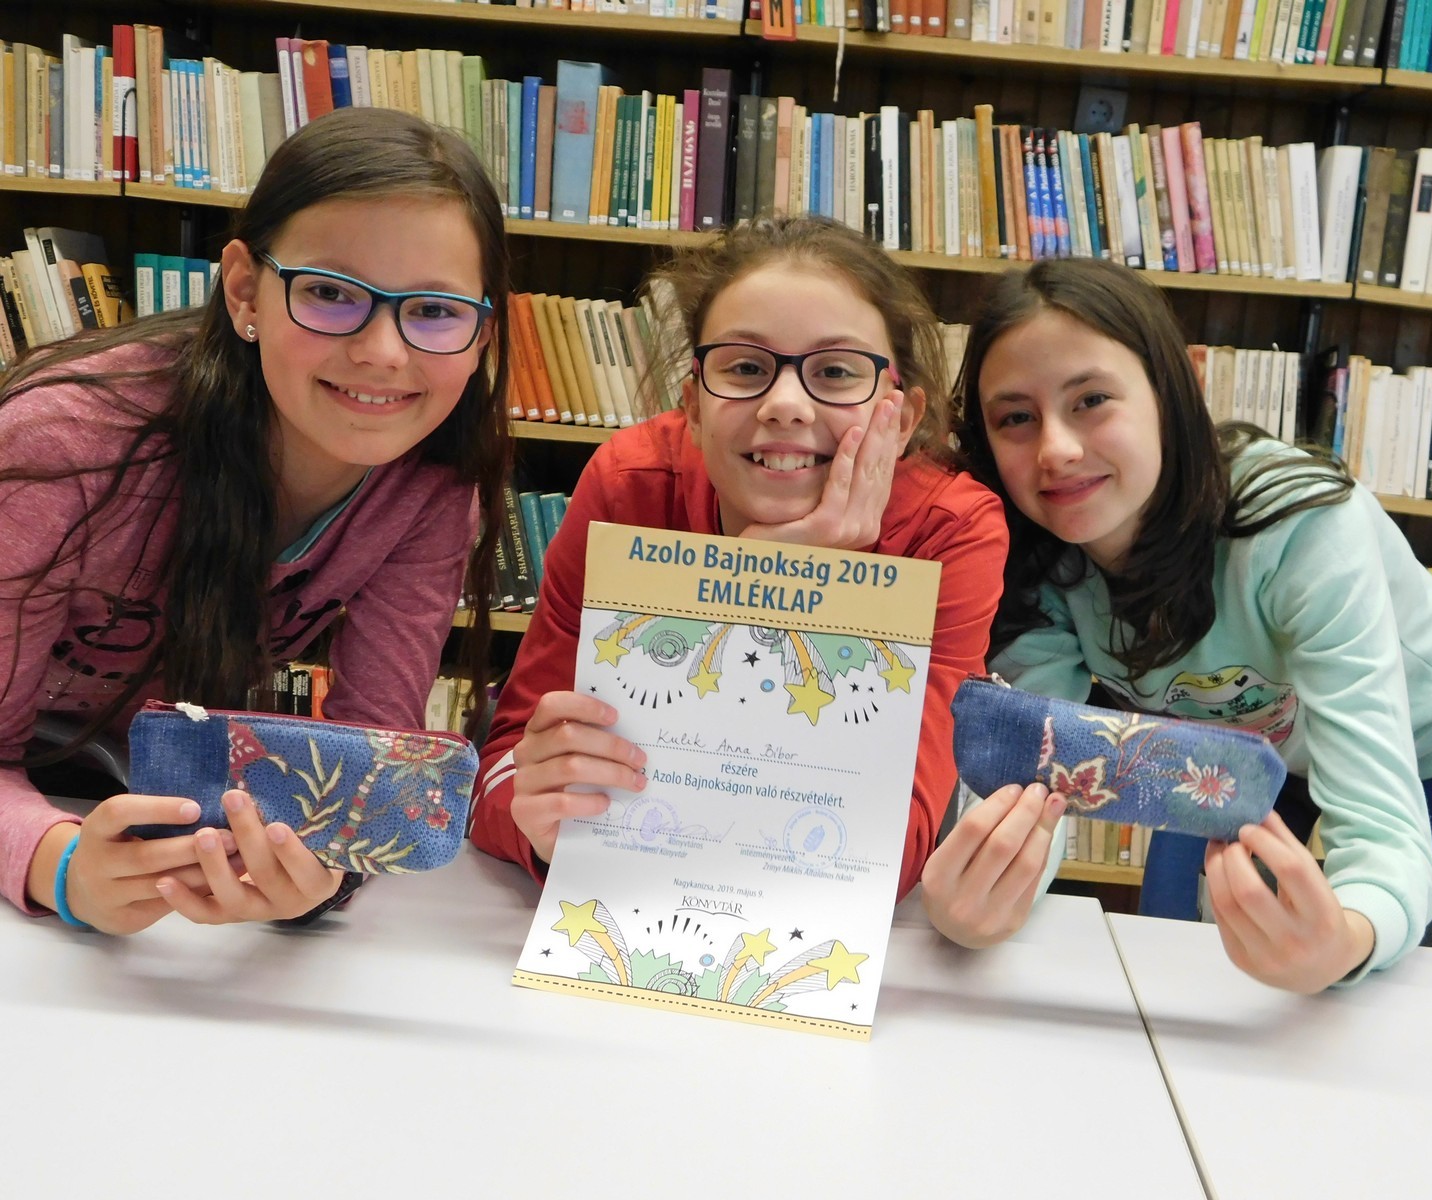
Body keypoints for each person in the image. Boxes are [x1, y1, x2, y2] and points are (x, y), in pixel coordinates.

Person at [0, 107, 510, 933]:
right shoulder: (63, 444)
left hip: (132, 799)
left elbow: (370, 771)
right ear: (244, 290)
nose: (383, 352)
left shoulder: (433, 491)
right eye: (330, 294)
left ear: (483, 331)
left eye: (435, 311)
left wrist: (323, 876)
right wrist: (59, 866)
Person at [923, 257, 1432, 992]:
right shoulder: (1032, 559)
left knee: (1387, 971)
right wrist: (983, 900)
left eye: (1091, 399)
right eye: (1015, 418)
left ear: (1172, 393)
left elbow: (1383, 829)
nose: (1056, 448)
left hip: (1418, 743)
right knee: (1173, 941)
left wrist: (1347, 941)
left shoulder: (1300, 525)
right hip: (1229, 748)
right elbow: (1033, 787)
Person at [469, 215, 1008, 900]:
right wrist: (543, 829)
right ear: (694, 407)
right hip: (620, 909)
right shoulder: (630, 487)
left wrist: (809, 586)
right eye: (746, 368)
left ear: (900, 420)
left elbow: (889, 849)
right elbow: (504, 778)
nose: (785, 405)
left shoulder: (950, 532)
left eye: (836, 371)